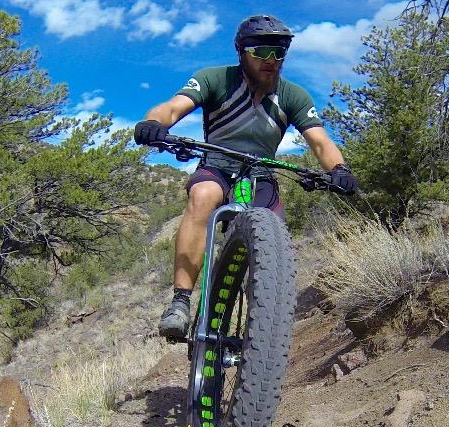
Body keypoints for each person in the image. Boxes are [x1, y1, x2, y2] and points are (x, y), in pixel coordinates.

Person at [134, 14, 358, 340]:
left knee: (275, 236)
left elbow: (321, 141)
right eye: (261, 51)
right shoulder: (216, 79)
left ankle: (265, 323)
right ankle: (180, 302)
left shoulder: (293, 95)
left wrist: (339, 170)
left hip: (261, 174)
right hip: (217, 166)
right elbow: (171, 107)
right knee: (203, 196)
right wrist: (154, 123)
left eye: (279, 52)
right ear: (242, 52)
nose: (271, 60)